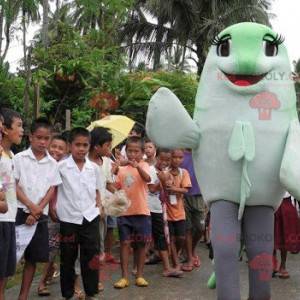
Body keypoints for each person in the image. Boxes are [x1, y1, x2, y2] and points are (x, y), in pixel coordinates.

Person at [14, 118, 61, 300]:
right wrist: (31, 206)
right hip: (19, 212)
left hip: (40, 215)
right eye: (38, 137)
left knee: (32, 258)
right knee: (11, 256)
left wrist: (38, 209)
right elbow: (14, 185)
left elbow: (52, 188)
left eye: (46, 138)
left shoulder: (53, 164)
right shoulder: (19, 159)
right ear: (30, 137)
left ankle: (23, 295)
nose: (42, 142)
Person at [56, 127, 102, 300]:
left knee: (91, 255)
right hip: (68, 218)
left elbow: (98, 190)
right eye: (77, 145)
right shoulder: (61, 167)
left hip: (90, 217)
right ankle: (67, 294)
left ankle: (91, 292)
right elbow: (53, 189)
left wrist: (99, 208)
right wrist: (54, 209)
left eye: (85, 145)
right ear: (69, 146)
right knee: (68, 257)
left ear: (90, 146)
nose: (81, 149)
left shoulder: (94, 168)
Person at [113, 136, 151, 289]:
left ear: (142, 153)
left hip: (141, 211)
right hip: (124, 212)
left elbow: (147, 179)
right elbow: (115, 187)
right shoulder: (121, 169)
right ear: (126, 151)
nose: (133, 154)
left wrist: (138, 167)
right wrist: (113, 171)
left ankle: (140, 275)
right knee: (125, 243)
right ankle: (124, 277)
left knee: (141, 244)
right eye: (130, 151)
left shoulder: (145, 165)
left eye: (136, 151)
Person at [37, 135, 69, 297]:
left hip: (63, 213)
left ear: (66, 151)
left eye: (61, 148)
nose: (56, 150)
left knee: (58, 248)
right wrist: (49, 208)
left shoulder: (65, 167)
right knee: (50, 249)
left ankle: (48, 276)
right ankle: (42, 281)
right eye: (54, 146)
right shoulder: (43, 165)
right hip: (46, 212)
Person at [148, 147, 183, 277]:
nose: (164, 162)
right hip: (148, 207)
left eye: (167, 160)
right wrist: (162, 181)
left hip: (160, 207)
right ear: (157, 157)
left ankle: (167, 268)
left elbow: (167, 190)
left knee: (161, 236)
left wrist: (167, 183)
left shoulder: (166, 171)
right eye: (162, 159)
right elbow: (151, 189)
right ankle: (136, 267)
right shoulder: (151, 170)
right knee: (147, 236)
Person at [88, 126, 116, 292]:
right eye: (107, 146)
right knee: (86, 247)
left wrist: (120, 195)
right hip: (85, 212)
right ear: (97, 146)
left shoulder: (105, 163)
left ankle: (96, 279)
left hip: (101, 212)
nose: (109, 149)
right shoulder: (84, 162)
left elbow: (107, 184)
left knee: (99, 246)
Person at [0, 108, 23, 300]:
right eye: (19, 126)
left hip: (9, 217)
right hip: (1, 217)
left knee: (6, 268)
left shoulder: (12, 155)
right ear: (5, 129)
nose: (22, 130)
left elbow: (13, 187)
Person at [165, 149, 191, 272]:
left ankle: (176, 254)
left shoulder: (183, 172)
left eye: (180, 158)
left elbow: (186, 190)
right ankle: (176, 263)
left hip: (179, 211)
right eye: (174, 157)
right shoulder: (165, 172)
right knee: (171, 238)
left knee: (181, 237)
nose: (177, 160)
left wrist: (173, 188)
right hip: (167, 210)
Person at [180, 149, 205, 271]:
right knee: (187, 228)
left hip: (200, 195)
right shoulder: (179, 154)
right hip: (183, 195)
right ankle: (189, 257)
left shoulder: (202, 153)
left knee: (201, 228)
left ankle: (191, 249)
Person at [273, 192, 300, 279]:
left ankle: (283, 265)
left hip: (286, 202)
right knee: (271, 234)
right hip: (271, 202)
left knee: (285, 235)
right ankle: (273, 264)